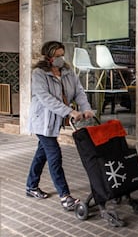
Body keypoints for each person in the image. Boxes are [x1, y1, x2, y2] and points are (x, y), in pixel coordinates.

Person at [26, 41, 95, 211]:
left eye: (62, 55)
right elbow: (46, 99)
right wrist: (70, 112)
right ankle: (65, 196)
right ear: (48, 56)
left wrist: (85, 108)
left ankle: (31, 186)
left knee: (41, 154)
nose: (60, 59)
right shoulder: (39, 73)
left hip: (56, 120)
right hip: (42, 120)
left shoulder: (67, 71)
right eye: (57, 56)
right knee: (54, 155)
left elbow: (79, 92)